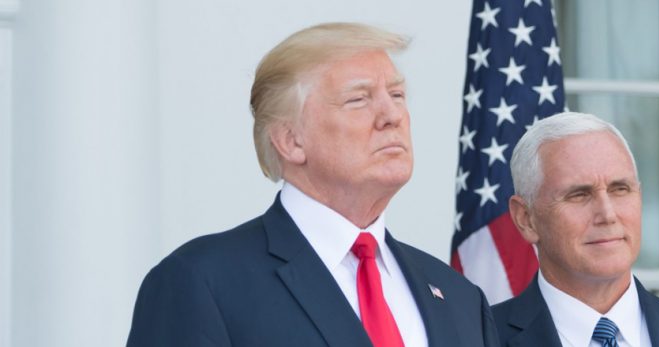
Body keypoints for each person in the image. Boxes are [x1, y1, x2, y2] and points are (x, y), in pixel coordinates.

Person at [127, 23, 499, 347]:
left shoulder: (459, 296)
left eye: (397, 95)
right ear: (291, 141)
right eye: (359, 99)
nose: (392, 115)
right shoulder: (202, 283)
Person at [492, 112, 659, 347]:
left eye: (620, 189)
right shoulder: (476, 339)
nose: (607, 215)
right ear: (526, 219)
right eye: (579, 195)